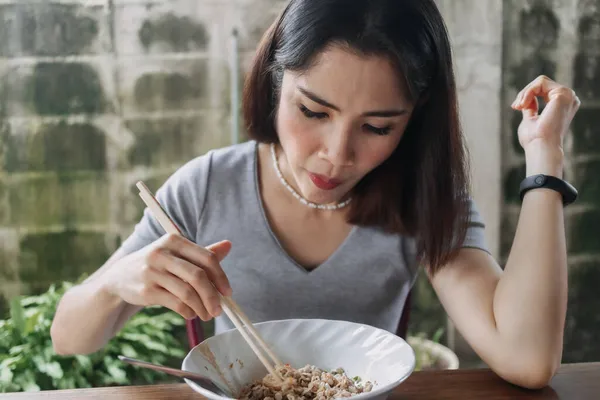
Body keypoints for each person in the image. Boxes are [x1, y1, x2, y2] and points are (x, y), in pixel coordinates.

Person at [50, 0, 580, 390]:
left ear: (414, 124)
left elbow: (528, 358)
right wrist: (117, 282)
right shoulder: (207, 187)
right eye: (313, 111)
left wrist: (544, 158)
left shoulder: (424, 198)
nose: (336, 154)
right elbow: (68, 338)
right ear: (274, 82)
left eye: (377, 127)